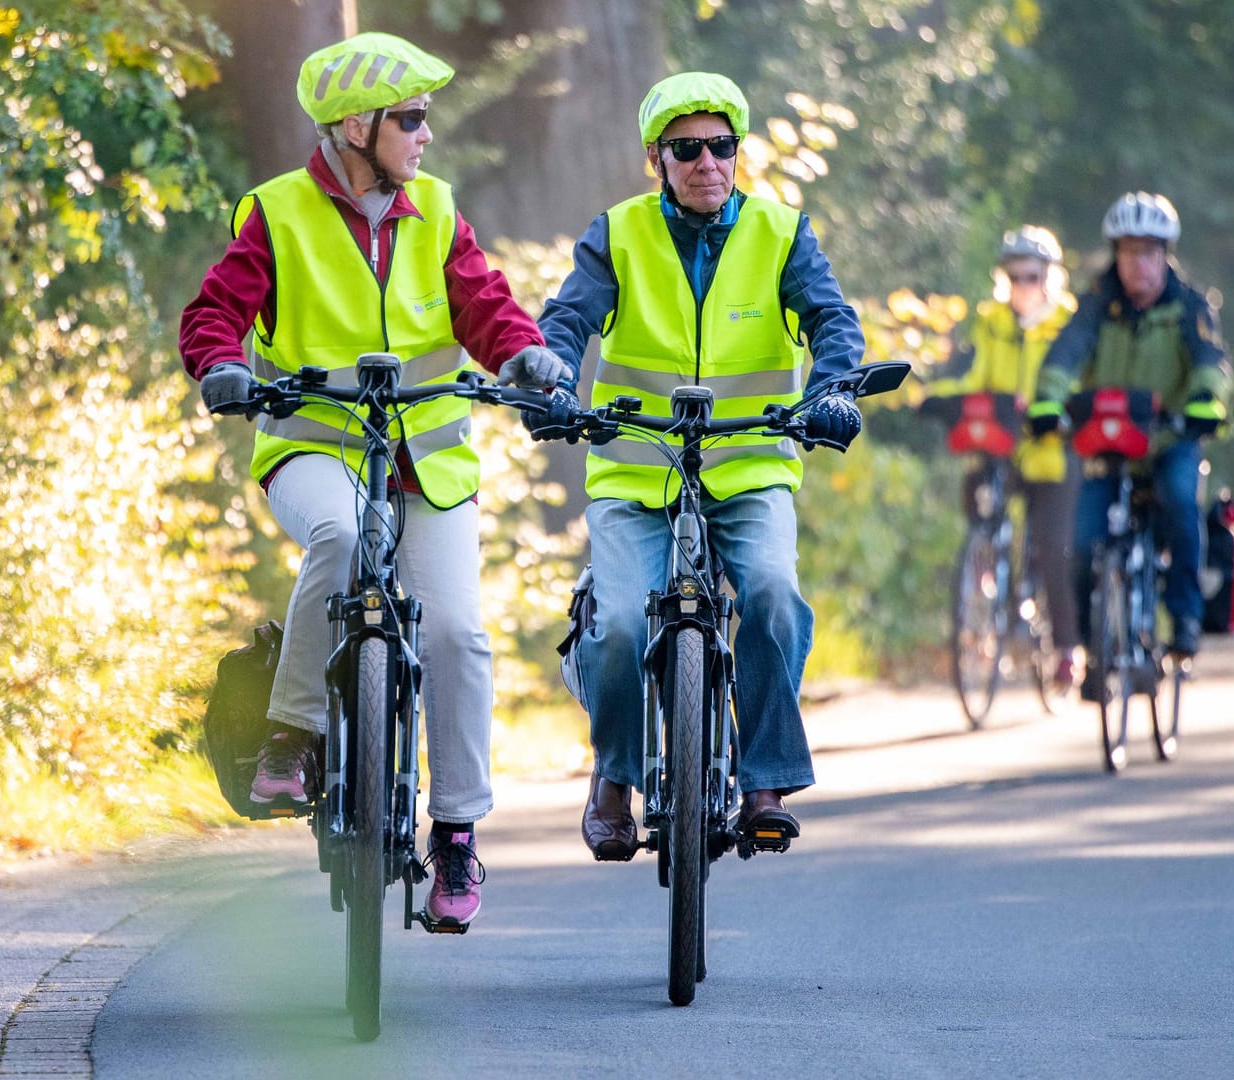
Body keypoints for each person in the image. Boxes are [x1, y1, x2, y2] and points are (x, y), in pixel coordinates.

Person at [179, 32, 565, 928]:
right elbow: (215, 314)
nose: (426, 136)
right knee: (342, 539)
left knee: (461, 636)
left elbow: (483, 305)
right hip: (317, 448)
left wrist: (525, 354)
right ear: (357, 126)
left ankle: (459, 835)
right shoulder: (276, 214)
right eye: (412, 119)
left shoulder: (436, 209)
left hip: (424, 462)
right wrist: (219, 367)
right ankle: (293, 736)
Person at [532, 72, 866, 860]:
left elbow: (832, 323)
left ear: (738, 152)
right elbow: (567, 319)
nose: (707, 162)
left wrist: (834, 392)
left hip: (749, 467)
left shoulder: (783, 233)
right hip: (636, 471)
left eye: (722, 146)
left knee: (775, 596)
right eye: (687, 149)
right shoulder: (616, 234)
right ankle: (614, 777)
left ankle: (764, 780)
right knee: (615, 623)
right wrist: (547, 378)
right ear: (657, 158)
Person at [1027, 192, 1234, 690]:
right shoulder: (1097, 304)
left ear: (1165, 255)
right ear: (1115, 255)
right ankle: (1092, 644)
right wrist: (1047, 402)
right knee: (1079, 542)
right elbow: (1065, 355)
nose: (1137, 263)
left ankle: (1184, 622)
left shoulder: (1189, 305)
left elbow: (1211, 361)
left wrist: (1206, 401)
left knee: (1182, 504)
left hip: (1169, 440)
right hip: (1111, 441)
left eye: (1148, 252)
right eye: (1128, 251)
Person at [927, 225, 1083, 688]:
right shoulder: (990, 321)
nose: (1022, 287)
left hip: (1053, 455)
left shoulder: (1069, 325)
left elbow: (1078, 381)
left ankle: (1069, 649)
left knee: (1054, 546)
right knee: (977, 496)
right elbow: (973, 377)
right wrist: (938, 398)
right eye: (1014, 277)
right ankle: (986, 581)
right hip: (1004, 448)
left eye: (1031, 276)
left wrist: (1057, 413)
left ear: (1049, 278)